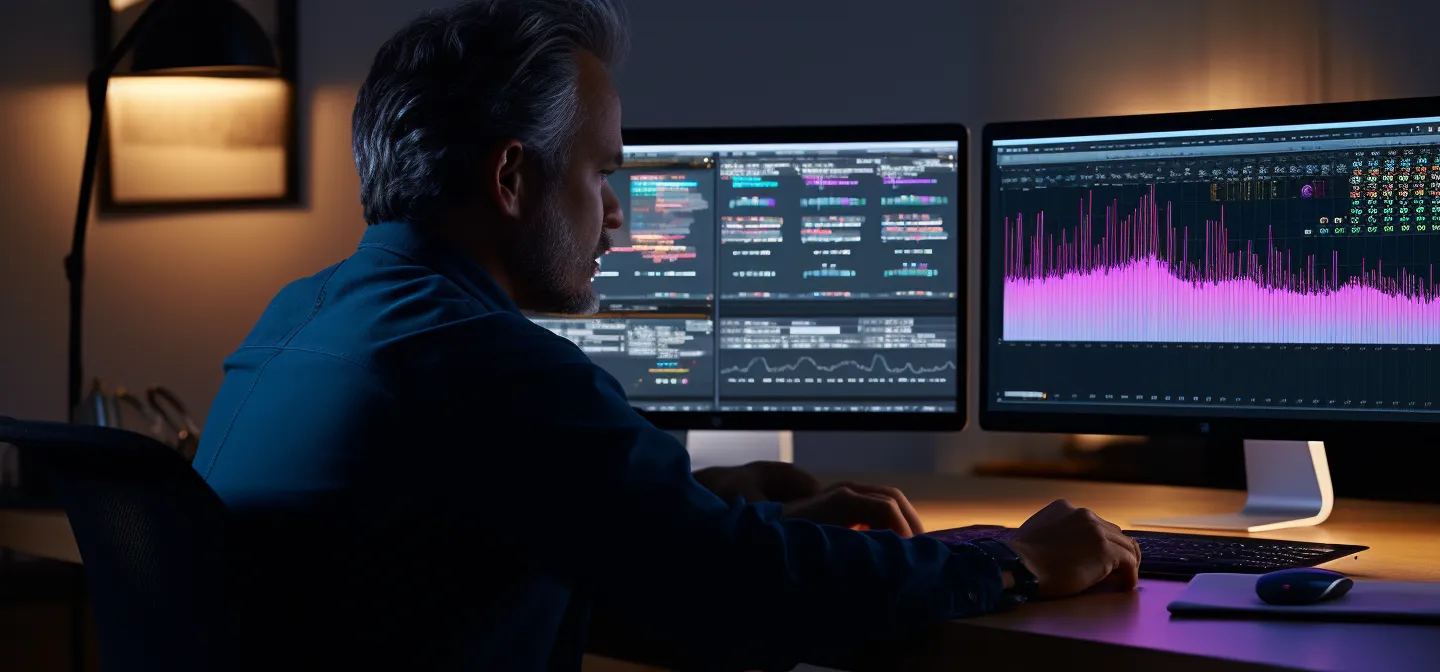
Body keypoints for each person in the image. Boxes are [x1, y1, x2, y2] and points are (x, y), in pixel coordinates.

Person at [193, 1, 1140, 669]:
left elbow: (463, 535)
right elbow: (743, 597)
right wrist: (1013, 559)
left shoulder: (300, 317)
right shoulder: (493, 367)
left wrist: (709, 517)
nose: (616, 216)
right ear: (512, 176)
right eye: (602, 173)